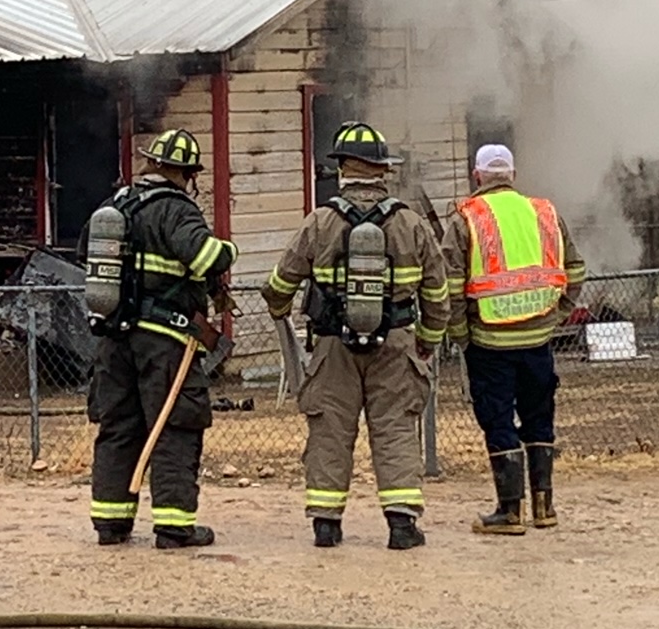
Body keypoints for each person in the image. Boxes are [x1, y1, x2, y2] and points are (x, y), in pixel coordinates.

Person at [261, 122, 450, 550]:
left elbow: (280, 281)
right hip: (397, 343)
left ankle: (326, 525)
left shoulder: (320, 221)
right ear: (382, 169)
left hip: (332, 346)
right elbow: (437, 293)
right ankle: (402, 526)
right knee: (396, 428)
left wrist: (280, 310)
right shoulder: (411, 223)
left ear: (343, 169)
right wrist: (428, 339)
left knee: (329, 430)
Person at [84, 129, 237, 549]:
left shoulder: (115, 205)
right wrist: (228, 251)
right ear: (188, 174)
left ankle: (111, 524)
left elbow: (86, 254)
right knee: (175, 428)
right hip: (165, 341)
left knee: (119, 426)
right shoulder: (176, 209)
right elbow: (205, 257)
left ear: (151, 163)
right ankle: (174, 528)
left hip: (113, 338)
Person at [440, 144, 585, 536]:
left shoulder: (466, 219)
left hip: (489, 343)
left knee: (498, 419)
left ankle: (509, 511)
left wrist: (459, 333)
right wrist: (557, 314)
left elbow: (450, 285)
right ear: (513, 176)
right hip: (539, 341)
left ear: (477, 176)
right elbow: (575, 268)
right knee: (540, 418)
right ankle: (544, 507)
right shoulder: (545, 213)